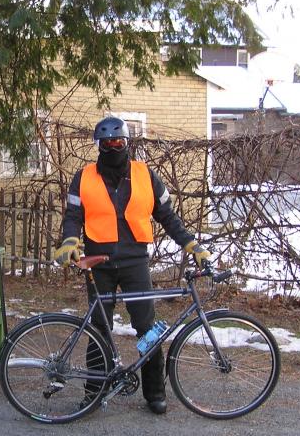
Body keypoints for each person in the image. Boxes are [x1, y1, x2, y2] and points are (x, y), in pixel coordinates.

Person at [53, 115, 211, 415]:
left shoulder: (145, 175)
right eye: (106, 142)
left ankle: (154, 393)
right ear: (98, 145)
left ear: (127, 143)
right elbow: (72, 216)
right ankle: (94, 391)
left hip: (135, 261)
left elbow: (168, 216)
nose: (113, 147)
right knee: (99, 328)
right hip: (98, 261)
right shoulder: (83, 177)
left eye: (118, 141)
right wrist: (70, 241)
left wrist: (191, 244)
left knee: (147, 328)